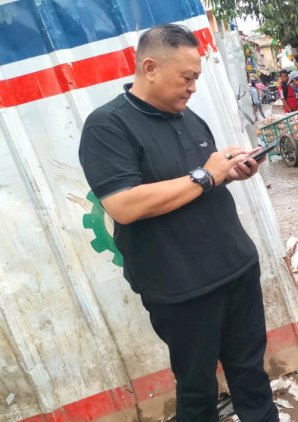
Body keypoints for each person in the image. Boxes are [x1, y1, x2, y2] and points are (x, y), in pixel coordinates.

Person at [78, 24, 279, 421]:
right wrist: (206, 175)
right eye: (186, 78)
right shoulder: (108, 127)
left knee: (251, 374)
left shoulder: (189, 118)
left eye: (197, 79)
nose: (192, 88)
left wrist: (230, 172)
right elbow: (124, 205)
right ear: (150, 67)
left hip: (235, 271)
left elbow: (201, 182)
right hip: (182, 290)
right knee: (197, 386)